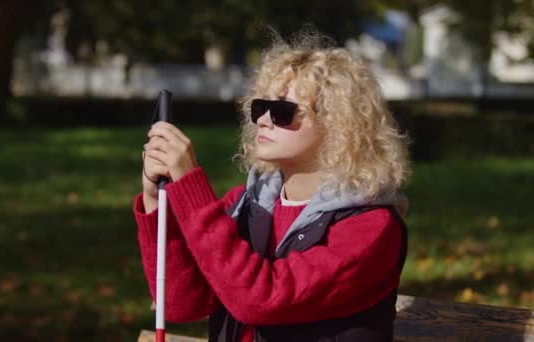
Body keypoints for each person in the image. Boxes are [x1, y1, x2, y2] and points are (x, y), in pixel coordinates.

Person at [134, 29, 411, 342]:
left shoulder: (371, 227)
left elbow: (259, 300)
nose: (263, 120)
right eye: (260, 107)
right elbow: (180, 303)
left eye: (282, 111)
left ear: (337, 125)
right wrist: (155, 200)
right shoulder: (244, 204)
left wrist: (191, 188)